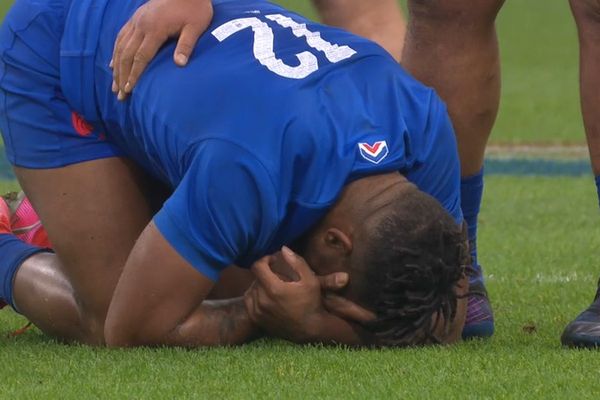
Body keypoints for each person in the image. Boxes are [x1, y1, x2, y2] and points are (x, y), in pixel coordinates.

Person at [0, 0, 468, 347]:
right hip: (59, 48)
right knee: (103, 316)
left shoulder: (425, 125)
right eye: (340, 301)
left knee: (230, 273)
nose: (334, 313)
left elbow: (450, 305)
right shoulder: (249, 168)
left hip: (204, 94)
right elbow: (132, 328)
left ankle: (72, 220)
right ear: (336, 243)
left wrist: (321, 323)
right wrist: (259, 316)